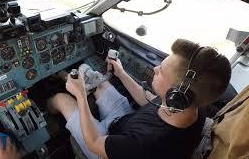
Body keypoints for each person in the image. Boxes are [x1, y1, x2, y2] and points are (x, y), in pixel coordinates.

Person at [48, 39, 231, 159]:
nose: (155, 69)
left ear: (177, 95)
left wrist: (80, 95)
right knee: (97, 80)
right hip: (126, 123)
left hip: (105, 144)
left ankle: (46, 109)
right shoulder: (192, 108)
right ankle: (78, 94)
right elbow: (148, 101)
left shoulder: (146, 146)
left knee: (62, 99)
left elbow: (94, 143)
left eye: (162, 71)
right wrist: (120, 73)